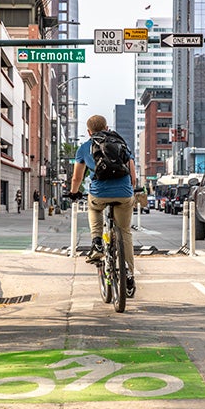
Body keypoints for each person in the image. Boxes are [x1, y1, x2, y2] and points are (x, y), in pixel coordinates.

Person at [67, 115, 137, 297]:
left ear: (88, 132)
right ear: (107, 127)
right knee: (125, 231)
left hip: (99, 193)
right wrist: (130, 189)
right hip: (124, 194)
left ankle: (97, 242)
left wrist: (74, 193)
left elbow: (77, 178)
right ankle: (128, 274)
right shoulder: (121, 143)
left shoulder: (84, 148)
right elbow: (133, 175)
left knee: (94, 207)